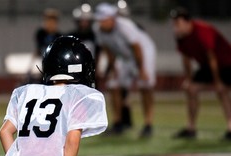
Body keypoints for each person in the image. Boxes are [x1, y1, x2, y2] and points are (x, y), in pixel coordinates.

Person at [94, 3, 156, 137]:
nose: (101, 22)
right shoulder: (99, 29)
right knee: (113, 84)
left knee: (145, 86)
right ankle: (117, 123)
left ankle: (148, 124)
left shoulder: (125, 26)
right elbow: (108, 50)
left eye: (104, 19)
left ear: (112, 18)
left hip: (143, 52)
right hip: (125, 56)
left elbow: (137, 48)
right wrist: (113, 68)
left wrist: (142, 70)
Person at [170, 7, 231, 140]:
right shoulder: (181, 36)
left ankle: (230, 126)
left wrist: (218, 82)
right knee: (190, 88)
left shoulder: (202, 30)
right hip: (207, 67)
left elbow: (212, 58)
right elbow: (186, 60)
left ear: (188, 22)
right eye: (174, 23)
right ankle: (191, 128)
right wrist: (189, 79)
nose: (175, 27)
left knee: (222, 91)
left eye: (178, 23)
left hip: (226, 64)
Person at [28, 8, 62, 83]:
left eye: (53, 21)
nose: (50, 23)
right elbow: (38, 49)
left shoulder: (59, 36)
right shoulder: (41, 34)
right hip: (42, 63)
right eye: (48, 20)